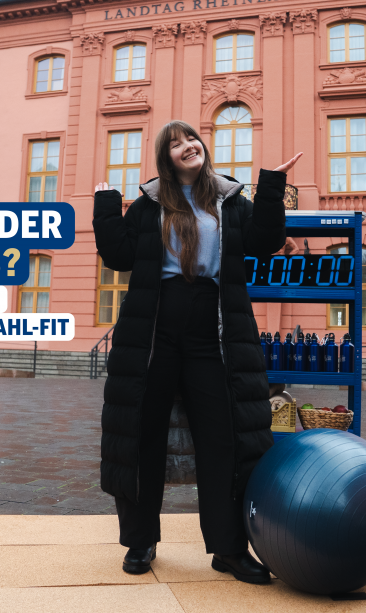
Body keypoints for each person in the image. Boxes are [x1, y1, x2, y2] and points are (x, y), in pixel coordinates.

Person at [93, 118, 301, 584]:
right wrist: (106, 207)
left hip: (214, 332)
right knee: (143, 434)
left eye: (191, 138)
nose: (188, 145)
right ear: (165, 159)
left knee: (222, 438)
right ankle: (141, 541)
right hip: (155, 332)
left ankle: (228, 549)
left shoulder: (229, 201)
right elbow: (119, 257)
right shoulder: (149, 205)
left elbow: (265, 242)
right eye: (176, 143)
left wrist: (272, 187)